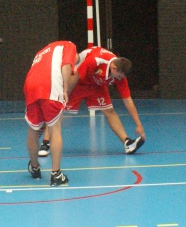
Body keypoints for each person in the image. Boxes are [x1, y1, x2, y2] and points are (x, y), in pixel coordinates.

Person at [39, 47, 145, 156]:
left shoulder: (121, 76)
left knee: (110, 111)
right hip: (78, 80)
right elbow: (76, 75)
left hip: (96, 85)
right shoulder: (95, 60)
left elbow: (128, 100)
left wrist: (138, 124)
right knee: (58, 108)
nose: (119, 79)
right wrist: (65, 93)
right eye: (118, 76)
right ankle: (46, 143)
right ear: (114, 68)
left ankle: (127, 142)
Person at [24, 41, 79, 187]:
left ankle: (34, 168)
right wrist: (66, 89)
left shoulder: (41, 52)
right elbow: (66, 65)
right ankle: (56, 174)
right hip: (50, 85)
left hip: (30, 86)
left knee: (33, 130)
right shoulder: (69, 46)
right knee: (55, 130)